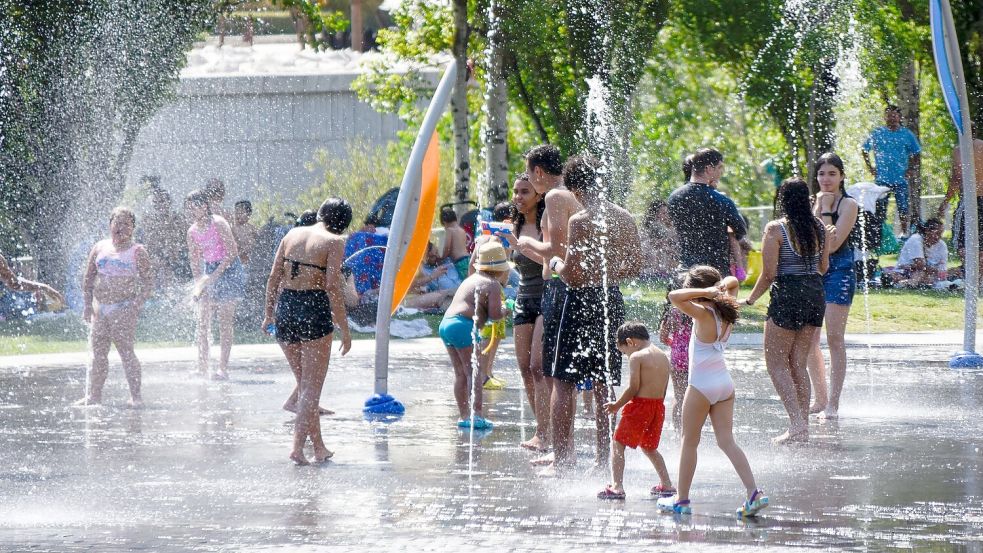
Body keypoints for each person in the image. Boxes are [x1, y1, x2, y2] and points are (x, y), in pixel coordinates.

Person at [547, 155, 643, 474]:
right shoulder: (625, 217)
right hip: (611, 299)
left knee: (563, 381)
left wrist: (555, 264)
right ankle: (605, 459)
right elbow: (635, 265)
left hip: (581, 301)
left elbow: (572, 275)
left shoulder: (580, 220)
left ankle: (562, 458)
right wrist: (607, 273)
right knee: (604, 381)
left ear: (574, 187)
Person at [659, 266, 768, 518]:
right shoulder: (726, 310)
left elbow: (674, 296)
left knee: (689, 441)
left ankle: (682, 500)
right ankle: (753, 493)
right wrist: (716, 288)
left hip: (701, 386)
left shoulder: (702, 313)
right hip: (724, 385)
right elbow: (731, 280)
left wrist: (707, 291)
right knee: (727, 441)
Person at [262, 197, 353, 465]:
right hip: (313, 309)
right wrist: (345, 330)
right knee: (311, 390)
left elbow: (273, 277)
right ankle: (297, 448)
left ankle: (319, 447)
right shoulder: (335, 242)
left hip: (286, 309)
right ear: (343, 222)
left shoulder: (293, 233)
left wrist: (269, 314)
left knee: (304, 387)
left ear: (322, 213)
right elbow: (332, 286)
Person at [744, 178, 831, 444]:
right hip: (815, 294)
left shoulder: (776, 229)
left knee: (776, 363)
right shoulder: (819, 227)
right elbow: (824, 267)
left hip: (788, 295)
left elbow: (769, 273)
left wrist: (749, 300)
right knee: (798, 363)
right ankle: (801, 425)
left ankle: (796, 423)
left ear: (782, 200)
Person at [513, 144, 576, 468]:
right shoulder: (570, 195)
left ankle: (563, 453)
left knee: (554, 373)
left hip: (558, 289)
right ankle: (560, 447)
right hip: (567, 288)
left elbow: (557, 249)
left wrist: (527, 244)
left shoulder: (554, 196)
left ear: (538, 172)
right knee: (551, 370)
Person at [78, 207, 153, 407]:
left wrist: (136, 305)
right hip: (99, 309)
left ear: (133, 228)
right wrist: (87, 305)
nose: (120, 227)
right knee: (98, 354)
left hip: (123, 308)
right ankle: (94, 396)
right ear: (110, 225)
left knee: (126, 352)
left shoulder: (138, 252)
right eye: (117, 223)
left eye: (126, 224)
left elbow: (148, 283)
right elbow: (88, 278)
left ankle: (136, 397)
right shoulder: (99, 248)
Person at [806, 153, 859, 419]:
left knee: (834, 339)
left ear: (841, 176)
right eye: (821, 174)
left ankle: (833, 404)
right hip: (815, 272)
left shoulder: (848, 204)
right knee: (810, 338)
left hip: (840, 271)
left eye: (832, 174)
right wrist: (818, 206)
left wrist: (826, 209)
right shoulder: (814, 201)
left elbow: (834, 243)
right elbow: (810, 241)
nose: (826, 179)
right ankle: (820, 397)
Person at [597, 321, 674, 500]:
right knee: (650, 447)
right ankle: (667, 484)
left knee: (618, 443)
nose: (626, 355)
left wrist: (617, 405)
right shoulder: (662, 355)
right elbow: (663, 387)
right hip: (657, 407)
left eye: (624, 352)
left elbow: (633, 388)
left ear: (631, 342)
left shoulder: (637, 356)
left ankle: (617, 486)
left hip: (639, 406)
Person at [438, 241, 511, 430]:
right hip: (463, 326)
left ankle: (464, 416)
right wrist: (506, 309)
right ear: (500, 269)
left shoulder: (471, 279)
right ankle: (477, 415)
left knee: (460, 373)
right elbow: (495, 316)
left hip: (447, 324)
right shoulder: (492, 284)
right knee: (475, 372)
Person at [509, 174, 551, 452]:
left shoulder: (548, 223)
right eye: (516, 192)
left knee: (538, 367)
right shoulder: (515, 224)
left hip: (548, 297)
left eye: (525, 191)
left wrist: (516, 244)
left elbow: (550, 260)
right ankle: (542, 430)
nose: (518, 197)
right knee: (525, 369)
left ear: (538, 195)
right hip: (523, 298)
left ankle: (546, 432)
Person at [185, 190, 245, 380]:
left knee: (224, 321)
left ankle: (222, 368)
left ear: (204, 206)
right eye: (188, 207)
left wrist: (214, 276)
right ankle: (202, 367)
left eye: (193, 206)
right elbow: (195, 260)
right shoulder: (192, 231)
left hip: (230, 270)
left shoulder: (218, 223)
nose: (190, 210)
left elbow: (233, 251)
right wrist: (199, 284)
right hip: (209, 270)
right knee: (203, 322)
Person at [667, 148, 747, 276]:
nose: (721, 172)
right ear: (709, 169)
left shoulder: (674, 197)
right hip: (716, 271)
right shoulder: (721, 200)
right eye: (720, 167)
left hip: (687, 270)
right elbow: (741, 230)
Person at [862, 105, 922, 236]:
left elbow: (917, 152)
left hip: (900, 179)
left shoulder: (906, 134)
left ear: (900, 118)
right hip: (882, 179)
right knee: (879, 209)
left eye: (895, 116)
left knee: (903, 209)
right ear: (885, 118)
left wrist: (911, 169)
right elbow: (864, 149)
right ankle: (880, 235)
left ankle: (904, 234)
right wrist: (870, 167)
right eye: (889, 116)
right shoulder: (877, 133)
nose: (892, 118)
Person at [937, 128, 983, 275]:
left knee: (961, 242)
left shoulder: (960, 149)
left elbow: (957, 177)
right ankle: (978, 278)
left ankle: (973, 276)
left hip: (970, 200)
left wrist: (945, 202)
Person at [658, 300, 691, 430]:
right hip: (697, 358)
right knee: (698, 397)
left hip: (678, 359)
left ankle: (678, 432)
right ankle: (692, 431)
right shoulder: (699, 309)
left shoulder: (673, 312)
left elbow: (663, 337)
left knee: (679, 397)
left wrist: (676, 344)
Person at [891, 218, 948, 287]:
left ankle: (909, 283)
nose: (939, 237)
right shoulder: (916, 239)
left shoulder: (942, 245)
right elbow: (920, 265)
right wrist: (933, 270)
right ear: (927, 231)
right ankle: (906, 283)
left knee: (955, 272)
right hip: (904, 272)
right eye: (937, 233)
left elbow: (942, 270)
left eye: (940, 234)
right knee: (920, 273)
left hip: (925, 274)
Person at [640, 199, 679, 283]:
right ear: (655, 214)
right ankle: (658, 272)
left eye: (667, 213)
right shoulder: (649, 228)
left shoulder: (670, 226)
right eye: (664, 213)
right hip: (652, 264)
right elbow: (645, 245)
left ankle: (662, 272)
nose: (667, 215)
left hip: (665, 264)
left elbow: (674, 244)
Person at [440, 207, 471, 280]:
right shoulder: (461, 230)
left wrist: (441, 258)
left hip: (460, 261)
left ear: (444, 222)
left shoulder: (449, 230)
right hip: (468, 259)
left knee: (464, 281)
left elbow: (447, 247)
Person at [232, 200, 258, 266]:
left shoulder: (252, 229)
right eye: (236, 212)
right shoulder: (230, 229)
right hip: (235, 262)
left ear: (248, 215)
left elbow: (256, 246)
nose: (237, 215)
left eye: (241, 213)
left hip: (248, 263)